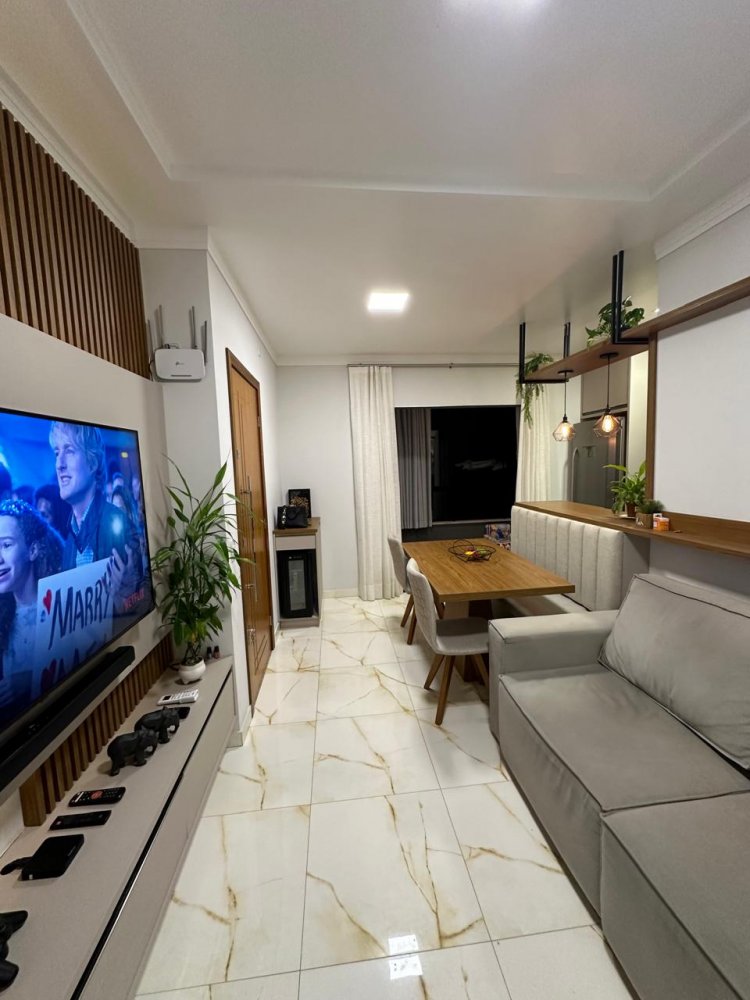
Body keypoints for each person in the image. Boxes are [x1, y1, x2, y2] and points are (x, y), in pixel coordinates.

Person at [49, 422, 142, 610]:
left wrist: (127, 597)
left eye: (69, 450)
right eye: (57, 453)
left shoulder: (120, 524)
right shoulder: (69, 542)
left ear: (92, 463)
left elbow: (144, 599)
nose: (59, 464)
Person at [0, 500, 63, 721]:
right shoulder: (3, 621)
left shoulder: (60, 605)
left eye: (6, 545)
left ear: (33, 550)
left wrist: (29, 681)